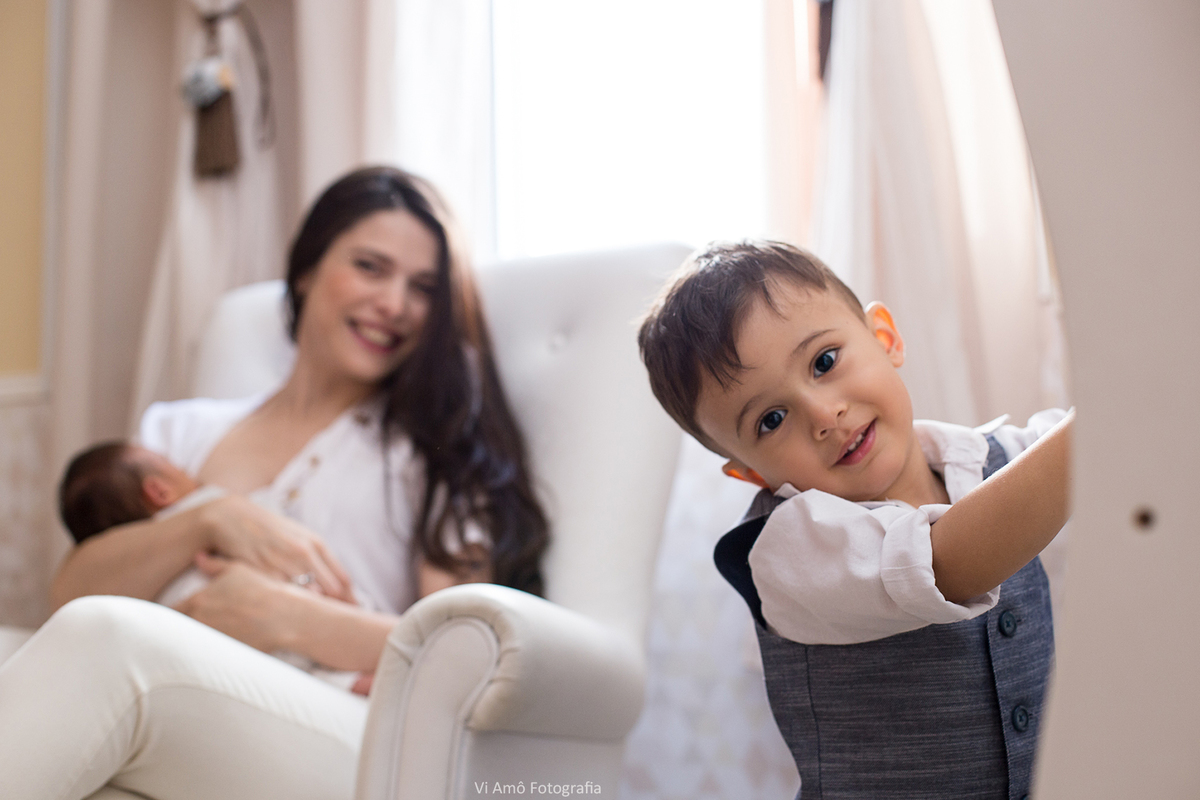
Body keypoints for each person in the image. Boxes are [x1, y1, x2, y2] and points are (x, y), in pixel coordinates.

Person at [0, 166, 550, 799]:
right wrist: (207, 521)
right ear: (308, 269)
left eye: (423, 288)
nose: (396, 305)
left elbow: (462, 649)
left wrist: (285, 617)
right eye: (371, 267)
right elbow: (73, 596)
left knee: (111, 644)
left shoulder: (434, 450)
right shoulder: (178, 434)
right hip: (181, 704)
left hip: (348, 726)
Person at [637, 240, 1070, 798]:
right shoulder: (788, 550)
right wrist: (1106, 423)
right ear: (750, 474)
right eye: (771, 419)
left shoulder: (998, 458)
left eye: (823, 362)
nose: (823, 415)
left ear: (884, 338)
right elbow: (944, 564)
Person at [56, 441, 368, 691]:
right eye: (174, 465)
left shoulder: (141, 559)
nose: (187, 470)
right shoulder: (201, 490)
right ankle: (348, 680)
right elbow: (68, 590)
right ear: (159, 491)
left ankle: (345, 681)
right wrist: (212, 517)